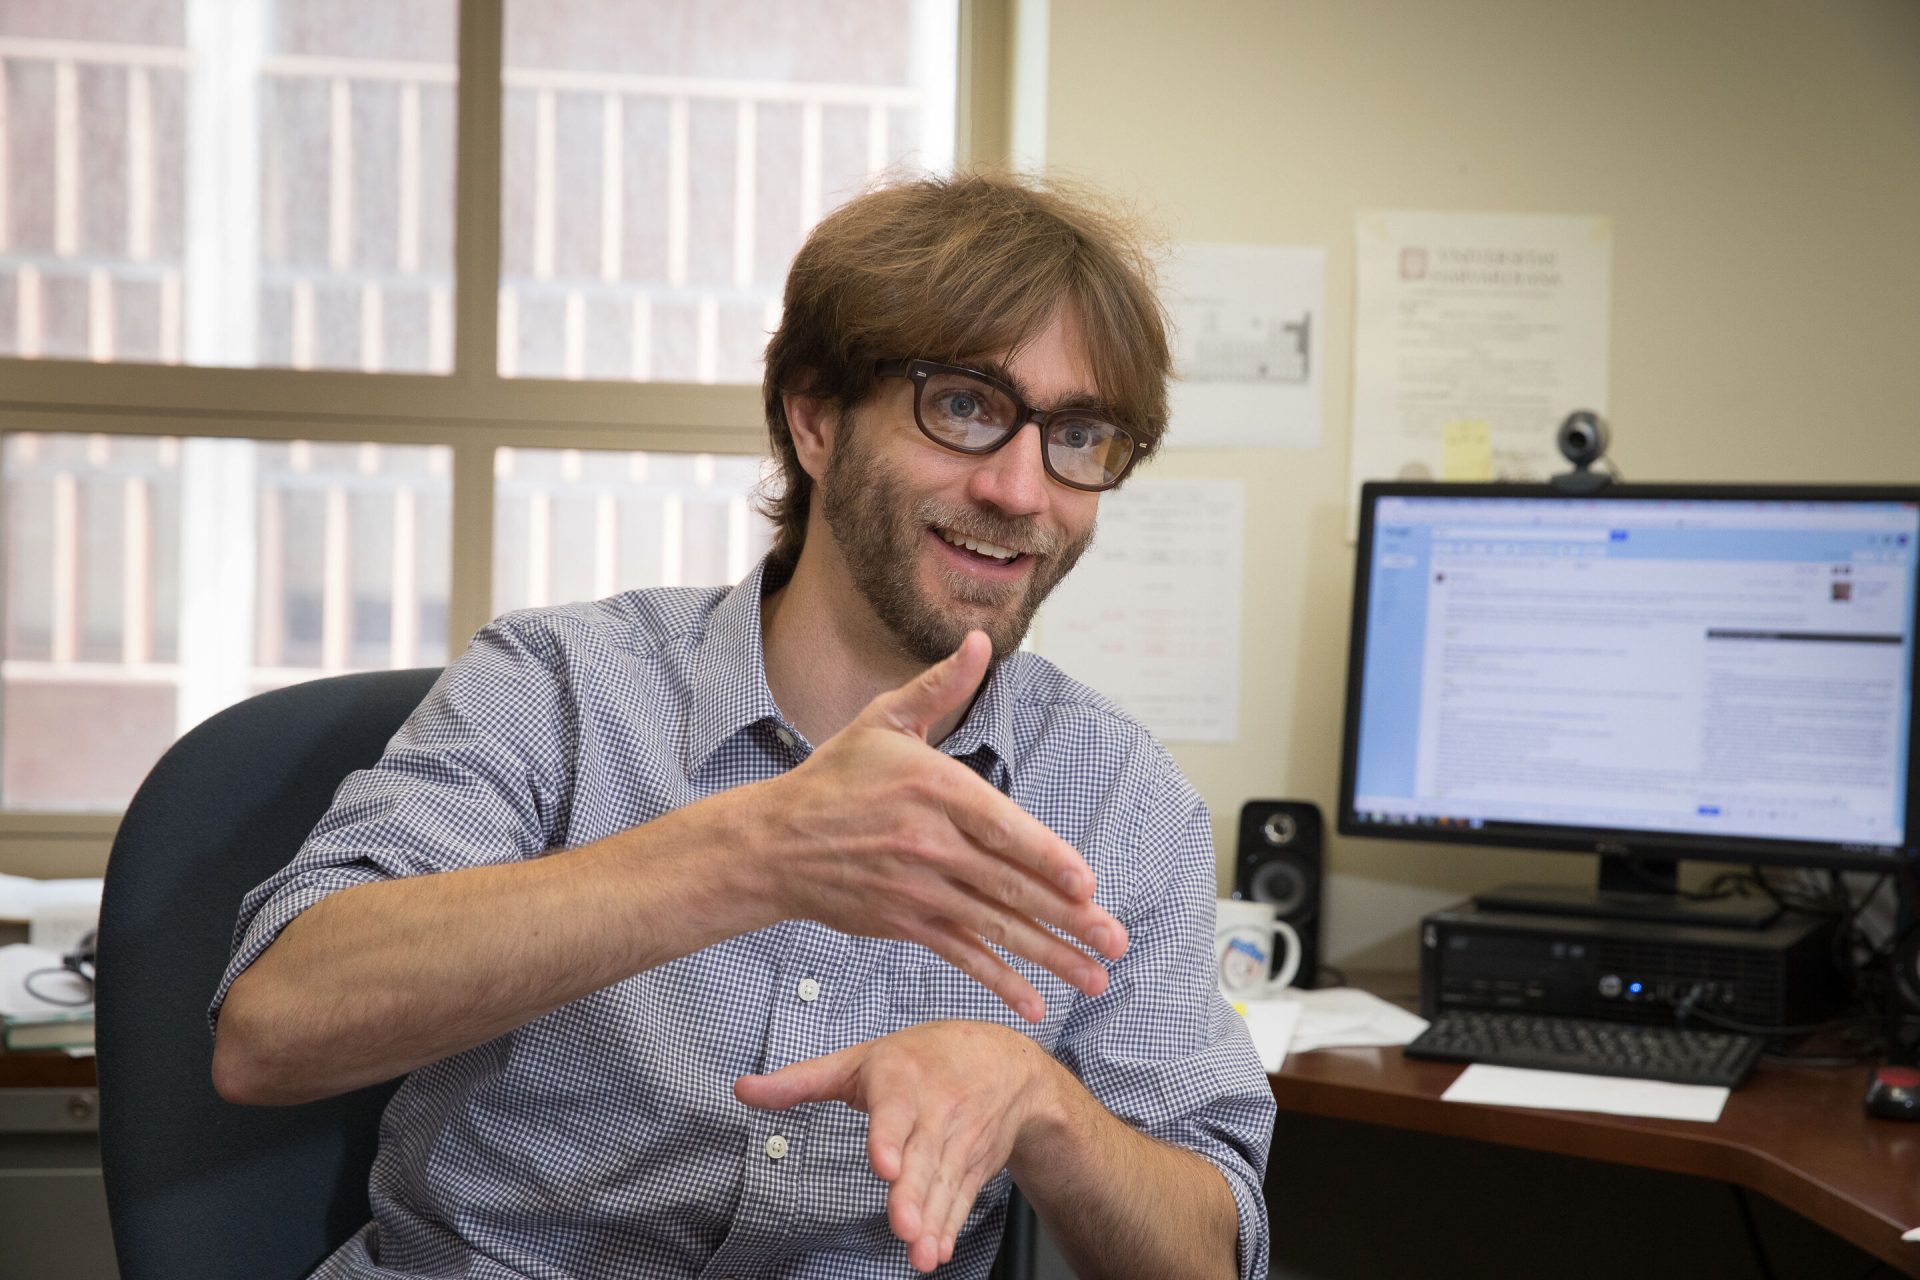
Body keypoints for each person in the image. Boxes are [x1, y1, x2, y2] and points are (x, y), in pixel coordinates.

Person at [211, 171, 1276, 1280]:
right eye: (964, 405)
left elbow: (1209, 1254)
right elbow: (271, 1027)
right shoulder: (561, 683)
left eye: (1081, 434)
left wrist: (1043, 1103)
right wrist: (753, 853)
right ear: (815, 419)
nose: (1021, 488)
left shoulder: (1120, 798)